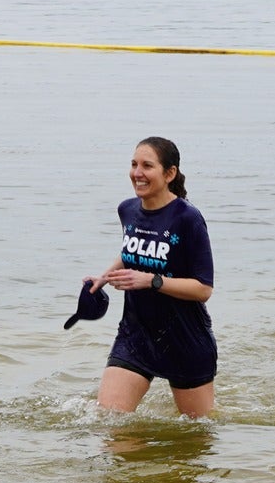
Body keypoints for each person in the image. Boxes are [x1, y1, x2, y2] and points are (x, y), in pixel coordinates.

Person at [83, 138, 217, 417]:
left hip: (185, 340)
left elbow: (203, 288)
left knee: (195, 439)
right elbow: (131, 250)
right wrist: (105, 277)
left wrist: (152, 281)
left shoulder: (187, 219)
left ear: (169, 174)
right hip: (136, 335)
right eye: (133, 165)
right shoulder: (127, 210)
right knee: (109, 423)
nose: (137, 173)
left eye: (147, 166)